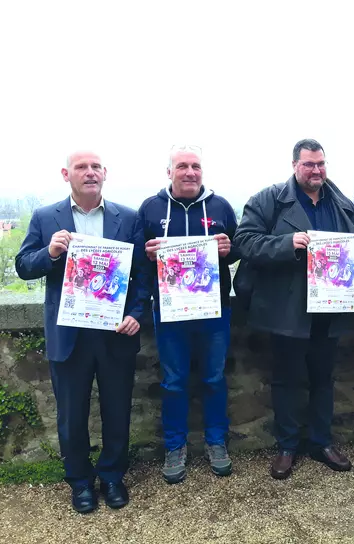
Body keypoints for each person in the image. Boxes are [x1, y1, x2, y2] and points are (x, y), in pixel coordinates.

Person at [15, 151, 149, 514]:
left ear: (104, 173)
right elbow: (23, 266)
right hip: (69, 333)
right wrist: (51, 252)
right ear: (66, 174)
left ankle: (112, 476)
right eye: (81, 168)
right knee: (72, 415)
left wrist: (137, 313)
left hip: (115, 332)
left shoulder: (130, 217)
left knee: (117, 410)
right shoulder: (46, 218)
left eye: (95, 167)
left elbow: (141, 275)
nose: (89, 173)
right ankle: (79, 482)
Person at [234, 139, 354, 480]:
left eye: (321, 164)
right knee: (286, 380)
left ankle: (322, 442)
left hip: (331, 307)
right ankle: (287, 446)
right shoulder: (268, 200)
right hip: (287, 308)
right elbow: (244, 242)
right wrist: (286, 244)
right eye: (309, 164)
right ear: (295, 164)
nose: (316, 170)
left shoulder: (342, 204)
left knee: (324, 378)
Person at [138, 145, 239, 483]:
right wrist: (148, 253)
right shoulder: (151, 208)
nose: (190, 172)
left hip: (214, 310)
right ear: (169, 172)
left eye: (195, 166)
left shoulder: (221, 205)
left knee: (213, 378)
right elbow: (137, 257)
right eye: (182, 166)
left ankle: (215, 442)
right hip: (168, 313)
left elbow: (239, 246)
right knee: (174, 382)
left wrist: (229, 249)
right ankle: (175, 446)